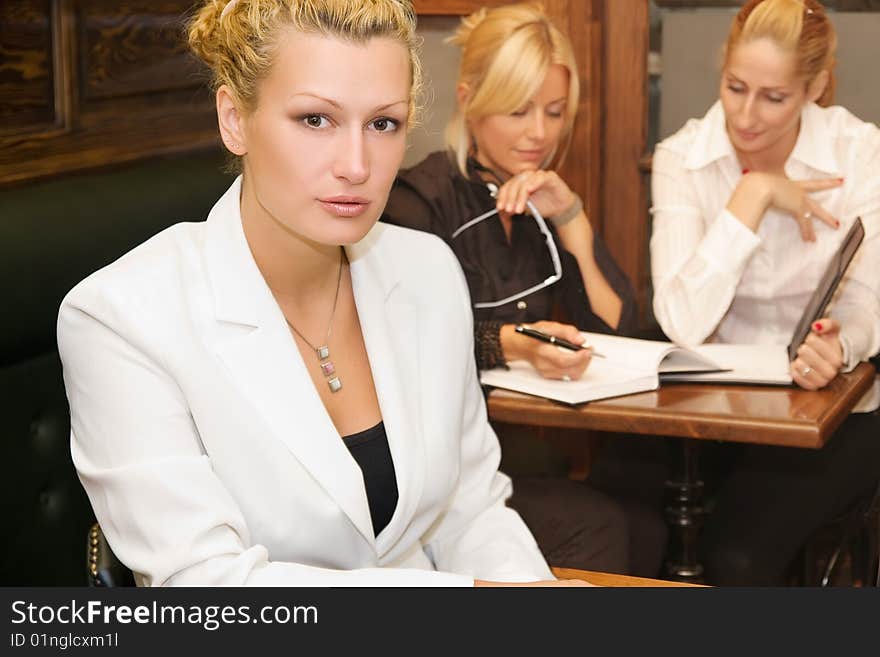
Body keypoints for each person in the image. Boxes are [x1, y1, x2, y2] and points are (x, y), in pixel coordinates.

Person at [58, 0, 588, 587]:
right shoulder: (120, 317)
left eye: (383, 123)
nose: (357, 165)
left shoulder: (429, 271)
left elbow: (471, 508)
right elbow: (202, 586)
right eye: (315, 120)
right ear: (234, 119)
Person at [382, 2, 667, 577]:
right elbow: (400, 340)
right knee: (605, 526)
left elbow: (619, 328)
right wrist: (513, 342)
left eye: (555, 112)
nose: (540, 133)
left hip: (517, 444)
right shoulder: (419, 201)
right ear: (469, 99)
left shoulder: (539, 201)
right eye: (518, 111)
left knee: (650, 522)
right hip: (436, 465)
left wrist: (574, 223)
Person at [650, 0, 880, 585]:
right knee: (635, 535)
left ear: (816, 87)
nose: (746, 117)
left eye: (773, 97)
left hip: (833, 409)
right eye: (735, 87)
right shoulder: (686, 156)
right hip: (713, 409)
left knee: (735, 559)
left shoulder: (859, 152)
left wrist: (842, 344)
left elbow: (868, 297)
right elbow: (682, 320)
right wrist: (750, 200)